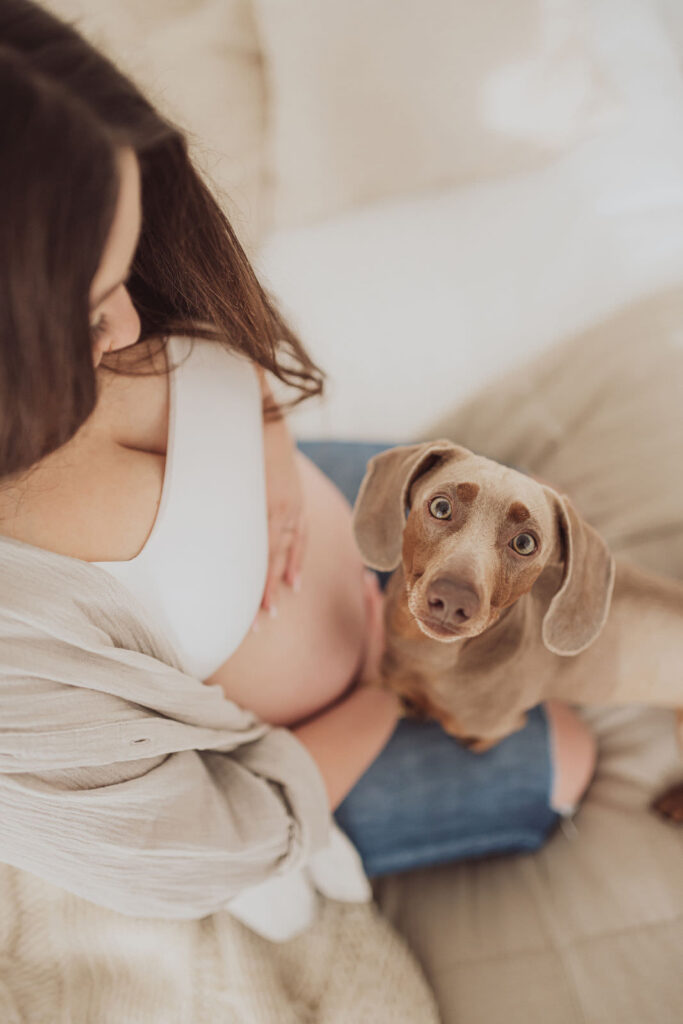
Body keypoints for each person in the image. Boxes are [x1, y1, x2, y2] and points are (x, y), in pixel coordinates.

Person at [0, 0, 595, 905]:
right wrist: (389, 687)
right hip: (322, 741)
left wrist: (272, 458)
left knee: (528, 538)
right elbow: (194, 844)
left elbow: (217, 352)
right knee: (572, 753)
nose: (127, 322)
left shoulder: (91, 234)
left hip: (356, 558)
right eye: (87, 311)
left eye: (126, 278)